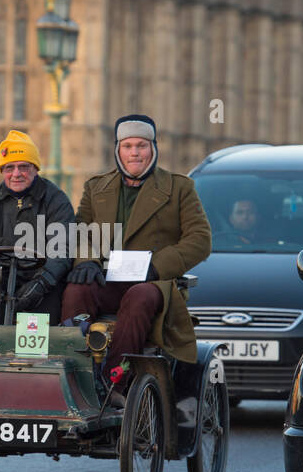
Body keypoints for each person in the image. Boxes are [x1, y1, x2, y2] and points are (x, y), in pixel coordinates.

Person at [61, 114, 211, 400]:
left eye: (141, 146)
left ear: (153, 149)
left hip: (153, 285)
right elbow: (80, 233)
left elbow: (200, 240)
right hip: (109, 279)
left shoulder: (179, 188)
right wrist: (86, 261)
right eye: (128, 146)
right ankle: (74, 380)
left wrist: (156, 268)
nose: (134, 153)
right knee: (77, 289)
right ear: (117, 150)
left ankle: (115, 382)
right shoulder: (96, 188)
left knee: (139, 296)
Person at [0, 130, 74, 335]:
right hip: (0, 280)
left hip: (41, 281)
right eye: (9, 167)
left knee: (49, 298)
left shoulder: (56, 200)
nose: (16, 174)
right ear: (2, 171)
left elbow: (61, 251)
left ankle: (35, 359)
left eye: (24, 167)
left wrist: (41, 282)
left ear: (35, 169)